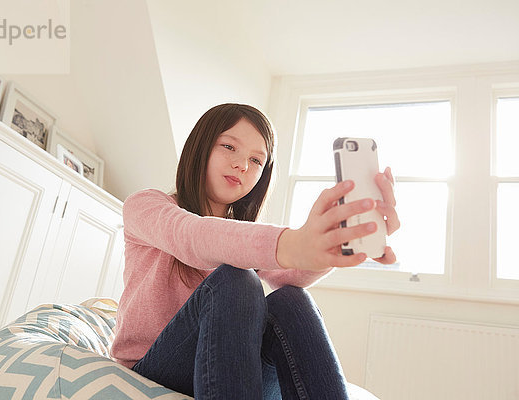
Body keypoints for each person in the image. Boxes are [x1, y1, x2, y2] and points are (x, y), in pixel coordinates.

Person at [110, 103, 400, 399]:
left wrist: (335, 244)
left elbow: (290, 274)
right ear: (200, 147)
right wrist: (295, 242)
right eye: (229, 147)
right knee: (238, 278)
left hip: (226, 369)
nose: (242, 165)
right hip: (157, 367)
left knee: (291, 298)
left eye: (256, 160)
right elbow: (192, 236)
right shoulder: (146, 205)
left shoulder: (242, 234)